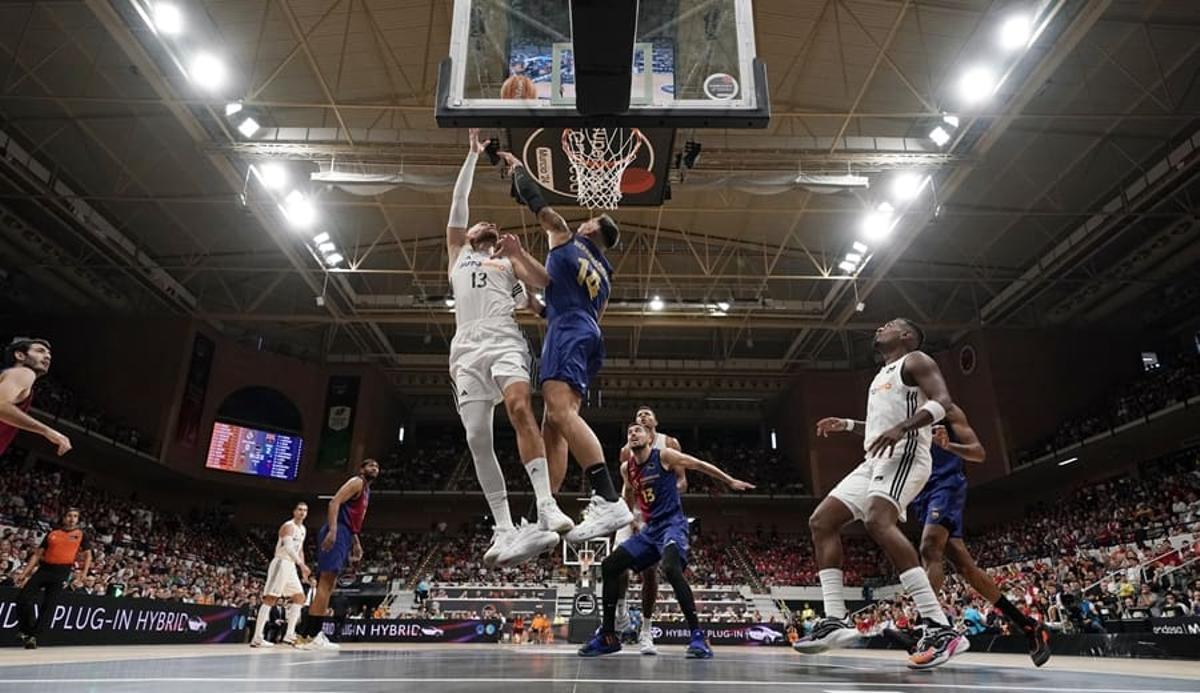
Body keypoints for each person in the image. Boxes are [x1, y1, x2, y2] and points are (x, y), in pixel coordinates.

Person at [796, 318, 966, 670]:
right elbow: (878, 431)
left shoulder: (916, 360)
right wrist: (847, 425)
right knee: (822, 521)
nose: (879, 328)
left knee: (877, 520)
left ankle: (940, 627)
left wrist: (902, 428)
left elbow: (944, 402)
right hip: (875, 461)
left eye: (889, 325)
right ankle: (835, 619)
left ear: (905, 335)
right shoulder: (881, 376)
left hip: (906, 457)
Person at [446, 130, 574, 568]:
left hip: (504, 340)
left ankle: (544, 504)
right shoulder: (457, 255)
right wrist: (470, 158)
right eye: (479, 225)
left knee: (520, 407)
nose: (485, 225)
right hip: (466, 350)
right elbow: (459, 206)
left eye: (491, 226)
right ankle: (503, 527)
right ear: (467, 236)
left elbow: (540, 297)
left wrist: (519, 258)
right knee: (477, 437)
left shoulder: (505, 265)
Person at [493, 151, 632, 542]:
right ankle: (545, 513)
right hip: (585, 332)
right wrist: (529, 284)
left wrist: (520, 172)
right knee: (554, 423)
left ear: (590, 227)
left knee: (558, 412)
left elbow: (542, 209)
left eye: (587, 218)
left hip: (568, 331)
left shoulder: (566, 236)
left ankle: (607, 497)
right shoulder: (604, 274)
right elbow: (552, 291)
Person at [578, 422, 754, 659]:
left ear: (649, 438)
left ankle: (698, 638)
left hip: (673, 525)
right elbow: (628, 494)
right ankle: (608, 636)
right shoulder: (626, 468)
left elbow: (698, 465)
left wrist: (729, 481)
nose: (633, 433)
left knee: (670, 568)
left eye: (638, 430)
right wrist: (627, 520)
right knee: (610, 565)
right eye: (630, 432)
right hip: (650, 531)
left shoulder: (665, 456)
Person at [906, 405, 1051, 667]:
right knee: (966, 567)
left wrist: (949, 446)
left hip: (946, 485)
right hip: (921, 493)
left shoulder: (946, 409)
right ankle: (1027, 625)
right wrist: (848, 425)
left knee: (928, 548)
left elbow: (978, 453)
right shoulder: (901, 408)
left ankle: (931, 628)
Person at [613, 406, 686, 655]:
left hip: (657, 511)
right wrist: (629, 513)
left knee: (650, 571)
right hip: (632, 510)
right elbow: (628, 486)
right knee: (617, 564)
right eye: (638, 416)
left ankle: (646, 632)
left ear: (655, 421)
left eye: (647, 414)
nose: (642, 417)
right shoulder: (627, 449)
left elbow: (682, 481)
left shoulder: (669, 444)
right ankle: (620, 612)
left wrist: (665, 494)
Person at [300, 458, 379, 651]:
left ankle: (310, 635)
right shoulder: (357, 482)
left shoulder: (366, 490)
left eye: (377, 467)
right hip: (338, 531)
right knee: (325, 583)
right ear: (362, 469)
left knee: (329, 583)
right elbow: (334, 502)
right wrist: (333, 531)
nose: (374, 469)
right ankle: (311, 635)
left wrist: (356, 542)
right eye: (370, 465)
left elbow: (351, 519)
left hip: (345, 532)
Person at [14, 507, 91, 649]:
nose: (72, 518)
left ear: (78, 519)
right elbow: (37, 554)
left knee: (48, 605)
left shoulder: (81, 534)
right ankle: (26, 629)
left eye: (75, 516)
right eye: (69, 515)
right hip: (44, 569)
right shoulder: (52, 533)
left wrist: (84, 573)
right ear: (64, 517)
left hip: (62, 572)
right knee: (23, 598)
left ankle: (33, 637)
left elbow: (88, 555)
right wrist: (24, 573)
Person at [251, 501, 311, 648]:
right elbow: (289, 548)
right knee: (270, 598)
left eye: (305, 510)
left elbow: (299, 550)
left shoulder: (303, 529)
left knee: (299, 597)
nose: (302, 512)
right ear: (294, 511)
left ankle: (289, 635)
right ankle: (257, 637)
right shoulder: (288, 526)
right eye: (300, 509)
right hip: (281, 562)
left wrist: (303, 569)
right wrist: (301, 564)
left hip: (291, 565)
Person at [0, 338, 71, 457]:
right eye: (40, 351)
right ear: (20, 355)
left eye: (49, 354)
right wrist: (46, 431)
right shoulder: (25, 373)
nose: (47, 356)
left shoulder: (10, 376)